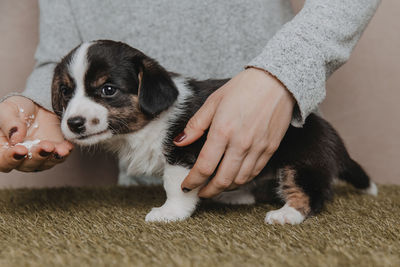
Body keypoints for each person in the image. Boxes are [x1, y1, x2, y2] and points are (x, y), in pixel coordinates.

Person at [0, 0, 380, 197]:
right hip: (148, 188)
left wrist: (281, 76)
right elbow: (63, 59)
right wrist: (40, 105)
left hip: (276, 163)